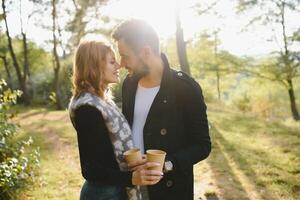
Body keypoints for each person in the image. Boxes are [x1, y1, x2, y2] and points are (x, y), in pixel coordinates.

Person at [112, 19, 211, 200]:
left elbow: (202, 145)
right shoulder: (129, 84)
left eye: (125, 56)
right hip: (133, 187)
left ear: (146, 52)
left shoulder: (185, 88)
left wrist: (166, 164)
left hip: (170, 190)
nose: (122, 63)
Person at [68, 40, 163, 200]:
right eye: (112, 62)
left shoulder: (102, 101)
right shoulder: (88, 108)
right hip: (103, 194)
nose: (119, 66)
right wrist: (131, 178)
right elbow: (90, 169)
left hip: (114, 191)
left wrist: (138, 161)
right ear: (94, 66)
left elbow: (107, 153)